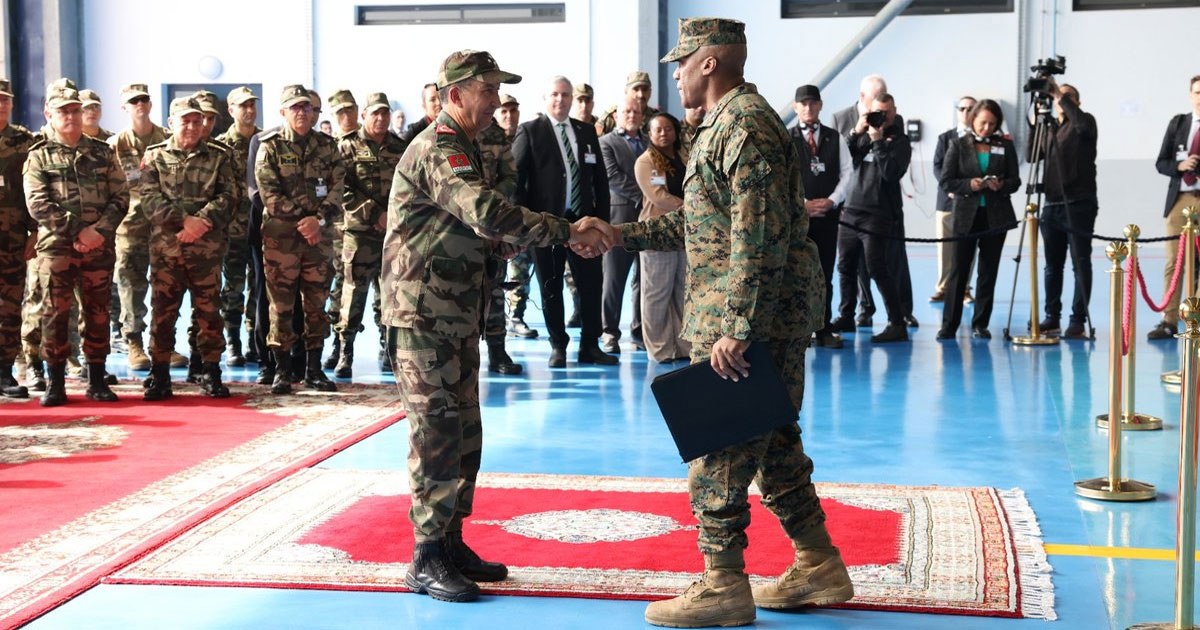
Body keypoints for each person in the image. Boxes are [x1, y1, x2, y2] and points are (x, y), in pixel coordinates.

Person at [580, 19, 853, 627]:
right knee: (775, 443)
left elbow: (758, 235)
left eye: (682, 62)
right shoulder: (719, 126)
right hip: (753, 312)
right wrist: (619, 234)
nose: (675, 75)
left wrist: (738, 326)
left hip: (752, 319)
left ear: (710, 62)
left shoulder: (744, 126)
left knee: (719, 448)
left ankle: (723, 584)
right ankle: (818, 562)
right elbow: (702, 223)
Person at [380, 49, 612, 603]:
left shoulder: (468, 147)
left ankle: (449, 540)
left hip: (455, 310)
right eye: (487, 90)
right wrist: (566, 230)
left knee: (464, 433)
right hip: (423, 314)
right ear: (455, 94)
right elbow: (484, 211)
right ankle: (426, 556)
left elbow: (473, 228)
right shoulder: (440, 146)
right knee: (436, 434)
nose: (496, 100)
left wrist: (506, 243)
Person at [24, 81, 128, 406]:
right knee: (55, 314)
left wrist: (99, 231)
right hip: (56, 248)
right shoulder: (39, 155)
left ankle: (96, 379)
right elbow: (37, 203)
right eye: (63, 112)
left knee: (98, 312)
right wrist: (79, 231)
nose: (70, 116)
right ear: (49, 114)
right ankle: (55, 382)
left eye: (74, 110)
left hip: (99, 247)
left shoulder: (103, 152)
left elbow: (120, 197)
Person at [513, 76, 617, 367]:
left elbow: (600, 181)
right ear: (545, 98)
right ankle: (558, 345)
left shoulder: (586, 131)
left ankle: (590, 346)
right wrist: (525, 226)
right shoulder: (530, 131)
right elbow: (517, 184)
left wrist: (602, 223)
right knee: (551, 287)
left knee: (591, 285)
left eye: (566, 95)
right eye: (555, 94)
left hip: (585, 224)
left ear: (572, 98)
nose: (560, 100)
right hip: (546, 225)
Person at [139, 96, 235, 399]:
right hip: (167, 251)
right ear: (171, 123)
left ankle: (211, 373)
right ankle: (160, 375)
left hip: (206, 250)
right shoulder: (154, 156)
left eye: (197, 120)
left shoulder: (220, 156)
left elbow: (229, 197)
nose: (192, 126)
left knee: (209, 313)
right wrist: (184, 221)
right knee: (163, 314)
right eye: (185, 121)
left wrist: (200, 222)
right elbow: (149, 199)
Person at [254, 84, 344, 394]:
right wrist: (304, 221)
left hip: (318, 240)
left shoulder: (328, 146)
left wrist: (319, 221)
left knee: (316, 305)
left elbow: (338, 188)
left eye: (306, 106)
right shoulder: (271, 147)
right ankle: (282, 370)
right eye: (295, 107)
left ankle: (314, 370)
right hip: (281, 241)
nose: (301, 112)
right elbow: (269, 194)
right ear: (283, 112)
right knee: (281, 305)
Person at [831, 75, 916, 330]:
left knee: (879, 267)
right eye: (876, 112)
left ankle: (897, 320)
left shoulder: (898, 139)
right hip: (850, 210)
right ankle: (847, 315)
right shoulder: (860, 131)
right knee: (845, 266)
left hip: (879, 212)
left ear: (894, 112)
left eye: (886, 113)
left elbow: (891, 172)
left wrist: (878, 140)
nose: (881, 117)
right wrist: (856, 132)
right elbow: (841, 159)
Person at [334, 92, 407, 378]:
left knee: (390, 294)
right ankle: (345, 351)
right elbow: (341, 188)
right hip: (360, 234)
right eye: (375, 113)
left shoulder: (400, 147)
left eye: (385, 113)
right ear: (363, 115)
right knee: (353, 294)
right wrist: (375, 213)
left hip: (392, 234)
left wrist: (392, 217)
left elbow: (409, 188)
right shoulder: (347, 146)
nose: (381, 118)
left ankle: (388, 349)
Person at [936, 99, 1020, 340]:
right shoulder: (958, 144)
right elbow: (946, 181)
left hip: (996, 216)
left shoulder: (1004, 145)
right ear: (973, 119)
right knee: (958, 271)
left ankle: (980, 324)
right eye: (983, 122)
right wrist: (969, 185)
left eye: (992, 124)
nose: (986, 128)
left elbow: (1015, 181)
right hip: (965, 216)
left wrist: (1001, 185)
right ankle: (949, 325)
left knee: (988, 272)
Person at [110, 83, 178, 371]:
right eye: (133, 101)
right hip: (130, 228)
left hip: (163, 226)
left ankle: (163, 344)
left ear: (150, 104)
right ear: (124, 108)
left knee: (167, 284)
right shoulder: (115, 145)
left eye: (143, 100)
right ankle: (134, 343)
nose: (139, 104)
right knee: (131, 286)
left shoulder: (167, 139)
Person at [1035, 80, 1098, 340]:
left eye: (1068, 96)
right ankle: (1052, 316)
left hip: (1079, 203)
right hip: (1051, 204)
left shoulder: (1085, 122)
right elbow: (1031, 155)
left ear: (1077, 103)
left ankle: (1077, 319)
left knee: (1080, 263)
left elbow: (1081, 124)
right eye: (1059, 95)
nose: (1061, 98)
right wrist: (1036, 120)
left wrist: (1059, 94)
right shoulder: (1050, 127)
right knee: (1052, 266)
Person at [790, 84, 852, 349]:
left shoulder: (834, 137)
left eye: (813, 103)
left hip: (827, 218)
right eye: (803, 103)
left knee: (825, 274)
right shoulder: (787, 138)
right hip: (798, 219)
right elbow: (782, 176)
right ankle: (799, 334)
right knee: (796, 275)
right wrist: (802, 204)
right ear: (795, 107)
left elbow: (848, 173)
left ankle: (824, 329)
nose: (808, 108)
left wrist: (832, 200)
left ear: (820, 105)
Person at [632, 111, 690, 362]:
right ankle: (660, 348)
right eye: (658, 130)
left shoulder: (684, 156)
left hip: (684, 232)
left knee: (683, 290)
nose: (664, 133)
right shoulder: (645, 162)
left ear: (676, 131)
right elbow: (658, 197)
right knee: (657, 293)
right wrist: (691, 208)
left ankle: (684, 346)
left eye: (668, 129)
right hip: (657, 233)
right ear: (649, 134)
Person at [1149, 76, 1200, 340]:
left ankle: (1196, 319)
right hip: (1180, 198)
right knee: (1174, 261)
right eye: (1197, 92)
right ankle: (1168, 320)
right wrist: (1180, 166)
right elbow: (1161, 162)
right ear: (1191, 95)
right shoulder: (1179, 124)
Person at [216, 86, 261, 366]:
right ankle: (232, 341)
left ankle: (254, 339)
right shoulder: (221, 146)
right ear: (231, 110)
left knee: (257, 285)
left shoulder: (265, 140)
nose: (249, 110)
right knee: (233, 287)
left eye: (252, 105)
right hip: (232, 228)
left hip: (260, 226)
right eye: (243, 106)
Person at [599, 97, 647, 353]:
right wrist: (646, 196)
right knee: (614, 278)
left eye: (636, 111)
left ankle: (638, 332)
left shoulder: (650, 143)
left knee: (643, 279)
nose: (631, 115)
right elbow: (612, 176)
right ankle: (609, 331)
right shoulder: (606, 142)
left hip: (648, 221)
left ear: (642, 116)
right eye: (626, 111)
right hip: (619, 219)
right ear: (616, 115)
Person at [0, 77, 36, 398]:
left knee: (10, 307)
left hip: (12, 239)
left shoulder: (26, 142)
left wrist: (35, 232)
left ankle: (4, 371)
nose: (0, 105)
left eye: (4, 99)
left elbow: (35, 190)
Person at [494, 94, 537, 340]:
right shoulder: (489, 142)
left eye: (513, 111)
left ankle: (516, 316)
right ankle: (495, 322)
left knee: (521, 269)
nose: (509, 116)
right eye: (504, 111)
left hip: (522, 217)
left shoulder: (527, 138)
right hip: (495, 219)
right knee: (495, 274)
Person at [931, 96, 977, 304]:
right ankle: (943, 288)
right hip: (947, 201)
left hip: (971, 201)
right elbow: (937, 167)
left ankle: (964, 288)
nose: (966, 112)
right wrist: (950, 187)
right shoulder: (945, 138)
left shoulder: (980, 140)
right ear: (957, 111)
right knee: (945, 247)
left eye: (971, 108)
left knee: (968, 247)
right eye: (962, 108)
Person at [596, 71, 659, 136]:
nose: (641, 95)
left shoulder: (657, 117)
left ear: (650, 92)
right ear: (626, 91)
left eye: (645, 90)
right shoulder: (612, 116)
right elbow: (596, 139)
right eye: (636, 89)